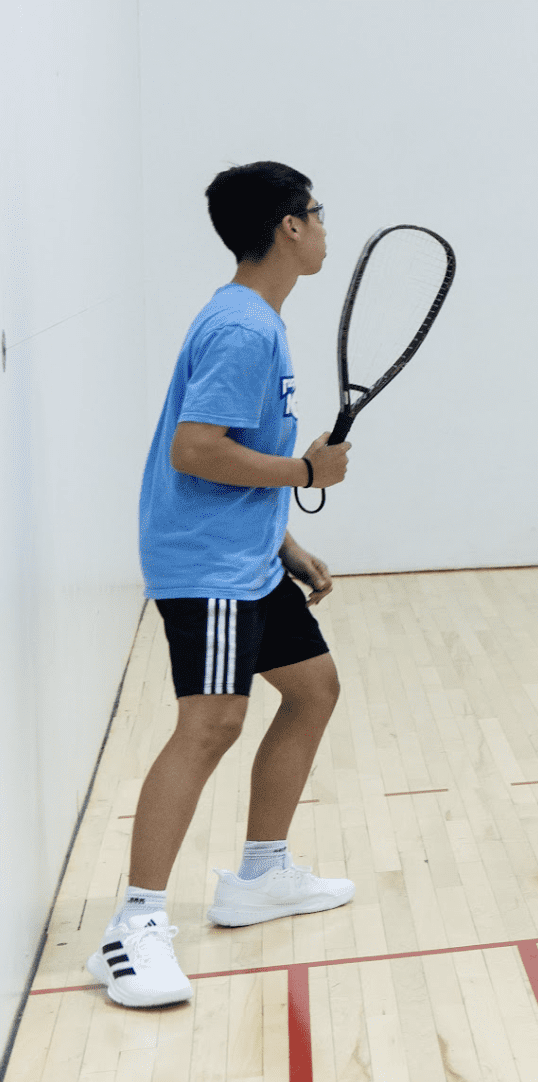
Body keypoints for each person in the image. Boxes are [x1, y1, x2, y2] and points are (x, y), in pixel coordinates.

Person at [88, 162, 355, 1008]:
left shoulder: (254, 319)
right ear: (286, 226)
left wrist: (284, 541)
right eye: (315, 214)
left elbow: (223, 455)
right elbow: (195, 450)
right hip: (205, 566)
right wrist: (304, 468)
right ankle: (133, 928)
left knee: (313, 689)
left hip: (244, 555)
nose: (322, 228)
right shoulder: (244, 328)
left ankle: (261, 874)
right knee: (211, 725)